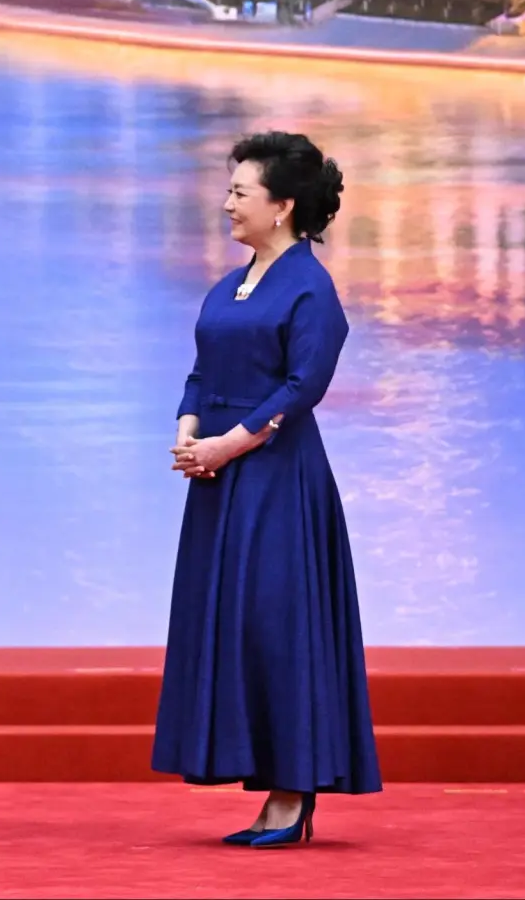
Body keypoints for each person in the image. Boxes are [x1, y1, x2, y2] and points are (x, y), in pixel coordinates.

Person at [157, 132, 381, 847]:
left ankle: (293, 791)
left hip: (277, 476)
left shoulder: (310, 286)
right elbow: (201, 370)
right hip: (217, 475)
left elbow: (303, 386)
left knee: (277, 626)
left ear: (282, 205)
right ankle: (263, 779)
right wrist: (190, 428)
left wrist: (231, 442)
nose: (226, 203)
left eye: (239, 192)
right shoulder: (231, 283)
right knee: (233, 624)